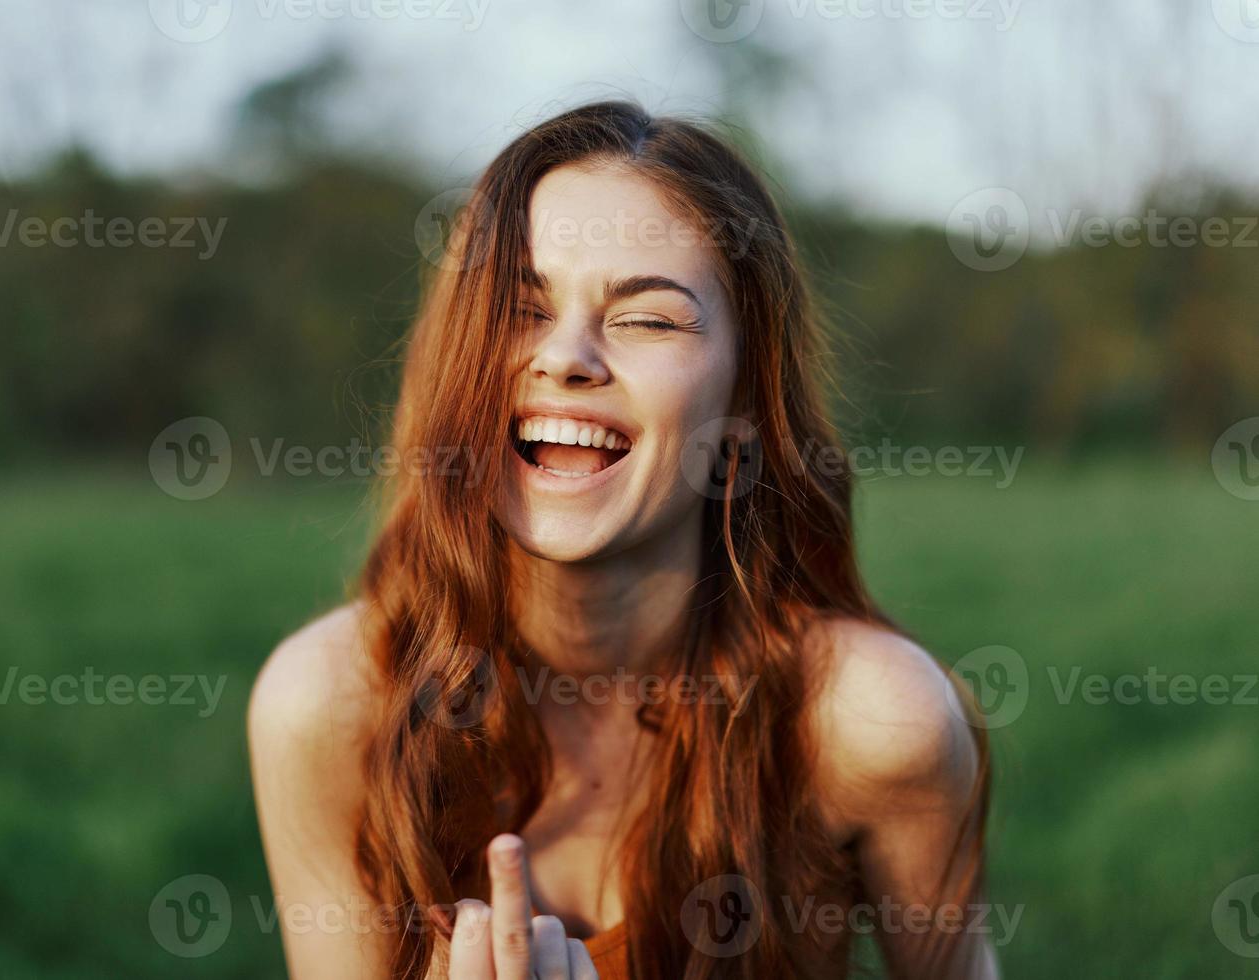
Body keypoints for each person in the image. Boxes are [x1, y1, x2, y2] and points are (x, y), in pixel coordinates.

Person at [249, 100, 996, 979]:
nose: (566, 356)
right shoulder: (329, 710)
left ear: (742, 420)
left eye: (647, 319)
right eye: (520, 308)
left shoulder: (871, 724)